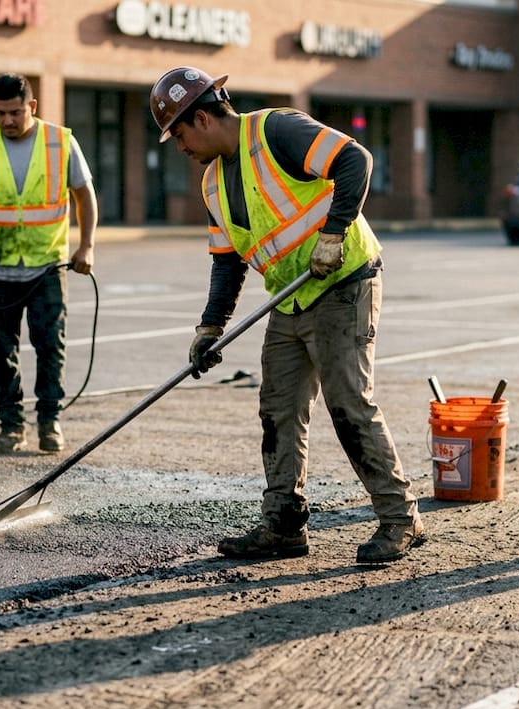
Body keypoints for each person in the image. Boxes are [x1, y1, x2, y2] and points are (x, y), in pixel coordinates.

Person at [149, 67, 425, 563]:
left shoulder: (276, 130)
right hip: (290, 298)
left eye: (180, 134)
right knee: (278, 409)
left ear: (204, 118)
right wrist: (210, 326)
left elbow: (355, 160)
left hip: (343, 283)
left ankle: (400, 519)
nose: (181, 147)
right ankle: (283, 526)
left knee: (349, 406)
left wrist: (334, 234)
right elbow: (227, 262)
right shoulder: (212, 183)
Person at [0, 73, 97, 454]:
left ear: (32, 106)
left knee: (50, 347)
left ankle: (49, 422)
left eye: (15, 113)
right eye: (0, 113)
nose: (7, 121)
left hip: (47, 266)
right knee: (1, 351)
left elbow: (85, 195)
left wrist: (86, 246)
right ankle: (11, 426)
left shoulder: (60, 141)